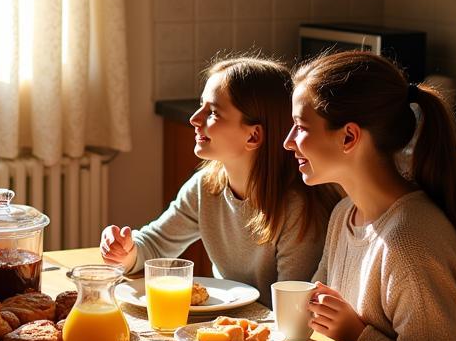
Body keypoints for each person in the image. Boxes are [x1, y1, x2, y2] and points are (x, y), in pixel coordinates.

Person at [285, 50, 456, 341]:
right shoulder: (344, 214)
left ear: (348, 137)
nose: (288, 142)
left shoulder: (410, 243)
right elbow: (322, 320)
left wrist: (357, 335)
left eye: (300, 127)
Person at [100, 55, 336, 299]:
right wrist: (126, 252)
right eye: (201, 105)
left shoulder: (297, 210)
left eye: (212, 112)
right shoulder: (206, 187)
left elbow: (293, 307)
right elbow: (155, 244)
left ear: (253, 136)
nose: (194, 119)